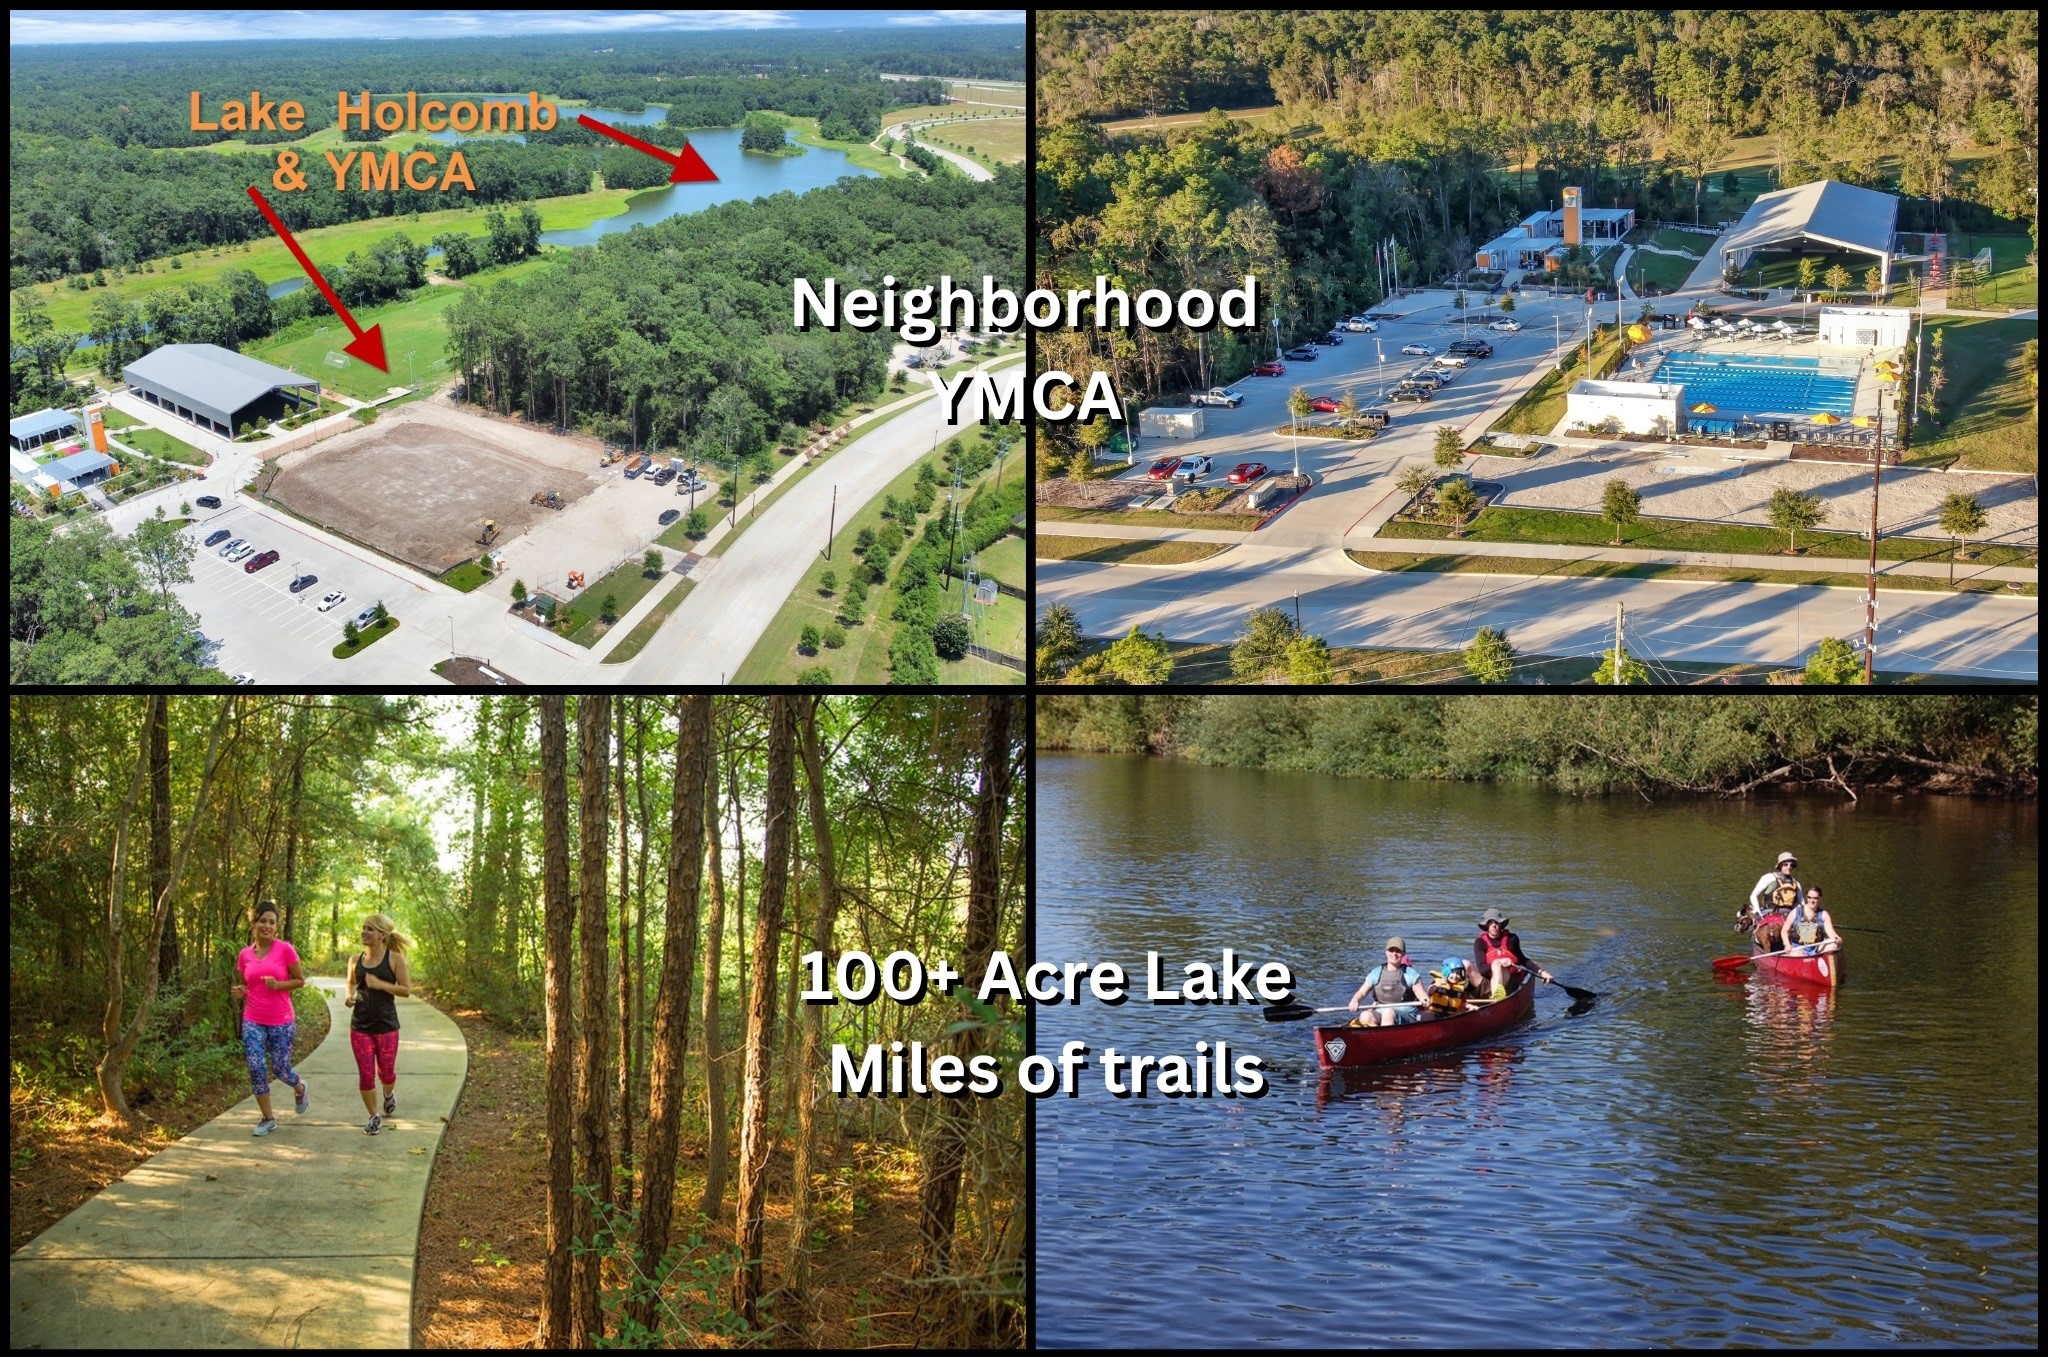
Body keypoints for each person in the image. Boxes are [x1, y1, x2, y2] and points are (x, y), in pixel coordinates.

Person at [232, 900, 308, 1137]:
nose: (267, 926)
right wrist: (241, 991)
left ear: (277, 927)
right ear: (254, 923)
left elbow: (300, 981)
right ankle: (268, 1118)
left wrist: (279, 985)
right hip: (252, 1019)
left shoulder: (285, 950)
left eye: (271, 922)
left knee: (281, 1069)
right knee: (256, 1067)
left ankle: (299, 1087)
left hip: (281, 1019)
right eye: (262, 921)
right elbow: (248, 984)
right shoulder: (244, 954)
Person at [344, 912, 413, 1136]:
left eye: (370, 929)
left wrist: (380, 984)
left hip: (387, 1026)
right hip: (360, 1027)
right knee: (366, 1075)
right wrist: (349, 995)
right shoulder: (355, 960)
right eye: (364, 927)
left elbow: (405, 990)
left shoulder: (394, 959)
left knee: (387, 1074)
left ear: (382, 935)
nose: (364, 932)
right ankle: (373, 1116)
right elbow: (351, 982)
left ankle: (388, 1094)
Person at [1347, 938, 1429, 1027]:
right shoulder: (1376, 972)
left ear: (1403, 953)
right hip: (1381, 1011)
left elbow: (1421, 993)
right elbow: (1362, 992)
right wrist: (1355, 1000)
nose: (1394, 954)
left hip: (1407, 1014)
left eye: (1398, 951)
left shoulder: (1410, 973)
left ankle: (1384, 1034)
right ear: (1386, 952)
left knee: (1388, 1013)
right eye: (1391, 950)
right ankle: (1377, 1034)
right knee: (1365, 1015)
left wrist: (1424, 999)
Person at [1473, 908, 1553, 999]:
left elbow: (1523, 960)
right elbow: (1482, 969)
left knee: (1496, 963)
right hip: (1490, 982)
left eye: (1496, 922)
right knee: (1466, 964)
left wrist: (1542, 972)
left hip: (1511, 981)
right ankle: (1472, 997)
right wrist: (1500, 962)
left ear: (1501, 924)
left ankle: (1496, 998)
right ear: (1486, 925)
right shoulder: (1480, 942)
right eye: (1490, 922)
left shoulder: (1512, 939)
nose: (1494, 925)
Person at [1741, 851, 1804, 937]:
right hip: (1770, 912)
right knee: (1757, 931)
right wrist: (1757, 911)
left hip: (1789, 915)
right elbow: (1753, 895)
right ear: (1780, 865)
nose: (1789, 867)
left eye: (1791, 865)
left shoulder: (1796, 883)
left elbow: (1802, 904)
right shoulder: (1769, 877)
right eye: (1785, 864)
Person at [1779, 887, 1842, 957]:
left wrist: (1837, 939)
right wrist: (1787, 944)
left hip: (1816, 949)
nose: (1812, 901)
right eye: (1809, 897)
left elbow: (1832, 934)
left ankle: (1818, 959)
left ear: (1820, 899)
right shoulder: (1796, 911)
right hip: (1797, 948)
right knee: (1796, 954)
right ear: (1806, 897)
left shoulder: (1824, 914)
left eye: (1815, 898)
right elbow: (1784, 930)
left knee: (1833, 946)